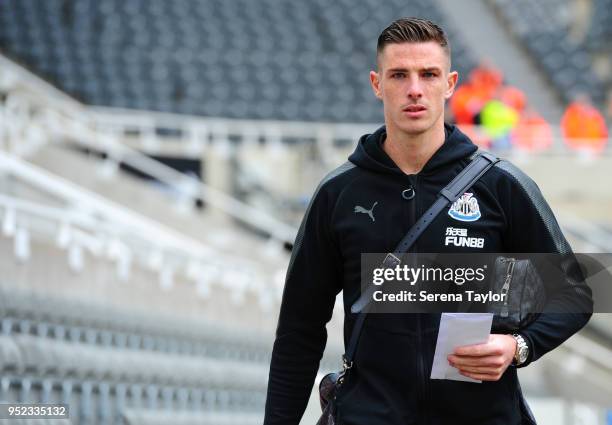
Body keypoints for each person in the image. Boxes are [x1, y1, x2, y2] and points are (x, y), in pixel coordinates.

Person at [264, 17, 592, 425]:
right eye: (399, 74)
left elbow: (575, 293)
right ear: (376, 84)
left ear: (450, 83)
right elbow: (299, 330)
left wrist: (519, 346)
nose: (414, 89)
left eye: (428, 74)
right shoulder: (338, 195)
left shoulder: (501, 185)